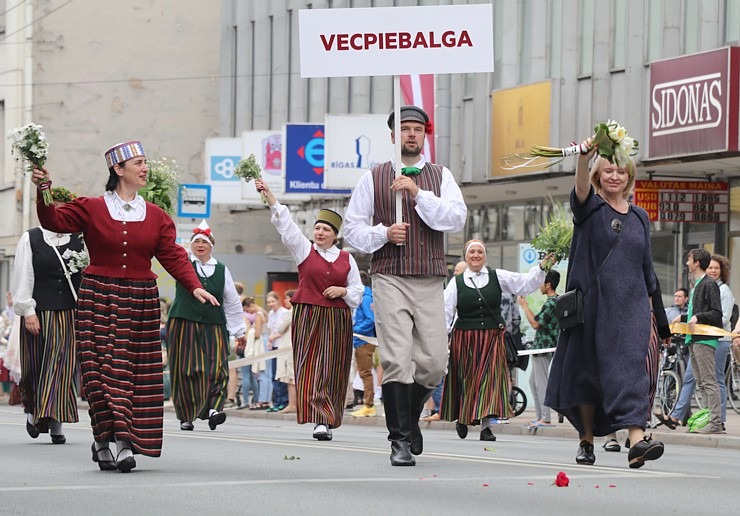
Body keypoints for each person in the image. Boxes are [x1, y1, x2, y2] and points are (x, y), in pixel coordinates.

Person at [31, 141, 218, 473]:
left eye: (146, 162)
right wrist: (44, 188)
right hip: (98, 297)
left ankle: (124, 442)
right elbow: (53, 220)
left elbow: (172, 254)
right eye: (138, 163)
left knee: (132, 375)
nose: (145, 168)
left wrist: (195, 286)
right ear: (118, 170)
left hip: (140, 299)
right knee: (99, 374)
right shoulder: (91, 207)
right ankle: (105, 439)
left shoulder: (157, 216)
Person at [343, 105, 467, 466]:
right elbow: (352, 230)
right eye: (405, 128)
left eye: (418, 128)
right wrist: (384, 233)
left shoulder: (440, 176)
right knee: (397, 360)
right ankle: (398, 439)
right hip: (388, 276)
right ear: (394, 135)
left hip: (429, 277)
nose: (412, 134)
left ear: (424, 135)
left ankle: (409, 419)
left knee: (433, 363)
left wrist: (417, 193)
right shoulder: (374, 177)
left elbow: (456, 219)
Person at [544, 136, 665, 469]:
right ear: (599, 175)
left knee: (631, 370)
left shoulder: (640, 217)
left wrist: (661, 322)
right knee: (587, 376)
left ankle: (638, 441)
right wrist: (584, 158)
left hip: (632, 309)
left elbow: (649, 271)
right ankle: (586, 440)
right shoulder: (590, 209)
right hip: (592, 308)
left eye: (621, 171)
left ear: (629, 176)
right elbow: (580, 189)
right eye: (608, 170)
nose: (615, 176)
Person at [254, 178, 363, 441]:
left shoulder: (347, 259)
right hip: (309, 315)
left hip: (337, 317)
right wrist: (270, 197)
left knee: (333, 367)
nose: (320, 233)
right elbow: (287, 226)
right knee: (311, 365)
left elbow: (358, 290)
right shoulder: (304, 250)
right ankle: (317, 417)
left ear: (335, 235)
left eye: (326, 229)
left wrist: (343, 291)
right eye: (317, 229)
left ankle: (327, 418)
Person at [441, 240, 552, 441]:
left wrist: (542, 267)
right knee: (468, 379)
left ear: (485, 256)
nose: (476, 255)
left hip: (492, 337)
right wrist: (443, 339)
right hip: (465, 338)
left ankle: (485, 427)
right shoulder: (455, 283)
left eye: (479, 252)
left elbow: (524, 284)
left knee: (489, 380)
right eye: (472, 252)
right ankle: (463, 418)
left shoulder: (497, 276)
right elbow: (445, 313)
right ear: (466, 256)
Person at [12, 187, 87, 445]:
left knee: (61, 367)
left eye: (65, 208)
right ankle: (34, 411)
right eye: (56, 207)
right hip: (38, 312)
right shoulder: (31, 238)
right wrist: (28, 310)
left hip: (68, 313)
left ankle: (56, 422)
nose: (60, 213)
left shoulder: (80, 240)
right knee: (35, 367)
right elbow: (23, 276)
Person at [166, 220, 246, 432]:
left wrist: (239, 332)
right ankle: (186, 415)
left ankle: (213, 409)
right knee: (185, 369)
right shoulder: (182, 263)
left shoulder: (221, 269)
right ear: (191, 245)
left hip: (214, 324)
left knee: (217, 366)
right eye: (196, 241)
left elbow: (232, 301)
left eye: (205, 241)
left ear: (212, 245)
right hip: (184, 323)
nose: (200, 245)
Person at [656, 252, 728, 432]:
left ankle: (715, 422)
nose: (687, 263)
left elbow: (716, 314)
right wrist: (683, 317)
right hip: (694, 339)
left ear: (696, 263)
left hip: (705, 339)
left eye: (689, 260)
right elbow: (698, 315)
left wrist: (697, 316)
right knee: (701, 382)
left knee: (709, 381)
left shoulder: (708, 284)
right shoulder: (697, 285)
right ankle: (708, 418)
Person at [518, 270, 560, 429]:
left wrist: (525, 306)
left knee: (541, 382)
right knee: (533, 382)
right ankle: (540, 416)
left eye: (542, 282)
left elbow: (536, 324)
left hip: (543, 347)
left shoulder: (551, 303)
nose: (539, 286)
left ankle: (545, 418)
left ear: (548, 284)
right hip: (541, 347)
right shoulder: (553, 302)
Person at [351, 271, 377, 417]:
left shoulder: (366, 298)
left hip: (364, 339)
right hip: (360, 339)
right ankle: (368, 403)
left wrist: (354, 329)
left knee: (365, 372)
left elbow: (370, 319)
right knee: (363, 372)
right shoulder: (362, 297)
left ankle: (369, 404)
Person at [265, 290, 289, 412]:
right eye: (269, 302)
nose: (271, 304)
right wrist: (270, 341)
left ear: (278, 301)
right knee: (274, 374)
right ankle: (276, 401)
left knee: (281, 374)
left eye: (273, 301)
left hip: (282, 346)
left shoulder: (284, 313)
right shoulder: (271, 314)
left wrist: (273, 337)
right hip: (274, 346)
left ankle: (284, 400)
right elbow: (271, 329)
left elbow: (282, 330)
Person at [275, 290, 297, 414]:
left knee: (290, 377)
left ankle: (292, 404)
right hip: (296, 347)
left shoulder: (290, 313)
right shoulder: (302, 311)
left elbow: (280, 328)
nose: (285, 301)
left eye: (286, 298)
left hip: (288, 348)